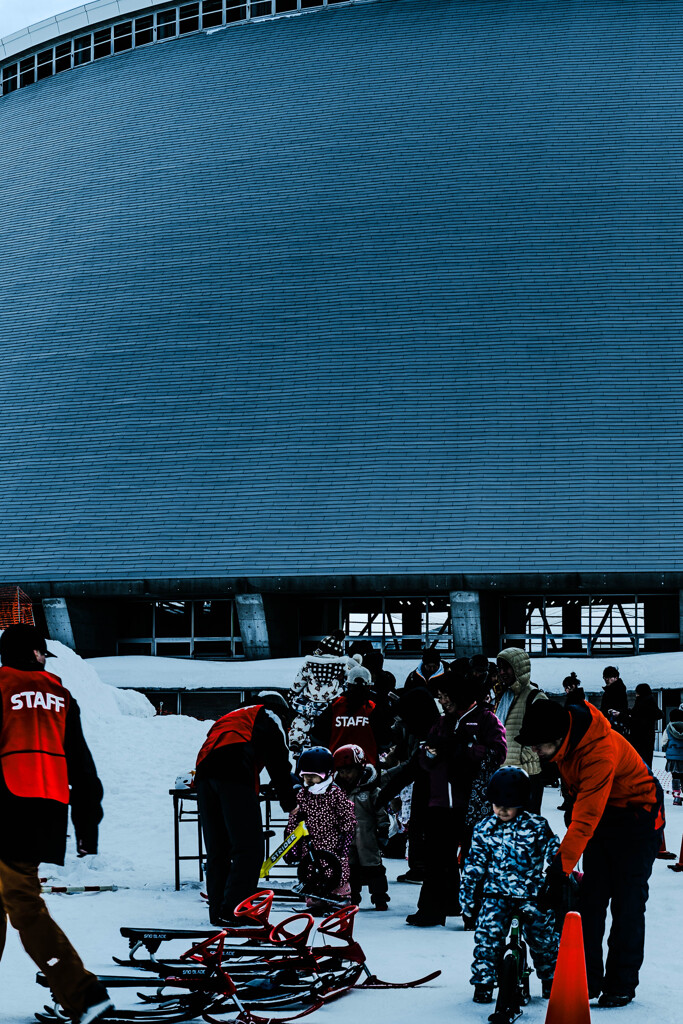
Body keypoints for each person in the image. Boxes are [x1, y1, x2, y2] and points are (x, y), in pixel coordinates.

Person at [516, 698, 665, 1007]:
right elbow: (579, 803)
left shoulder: (599, 750)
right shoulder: (568, 744)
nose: (534, 752)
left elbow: (585, 818)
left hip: (638, 817)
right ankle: (587, 979)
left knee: (628, 901)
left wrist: (558, 871)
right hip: (605, 816)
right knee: (590, 900)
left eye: (538, 746)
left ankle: (620, 984)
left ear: (558, 739)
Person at [0, 624, 112, 1024]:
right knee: (23, 902)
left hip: (5, 804)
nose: (45, 659)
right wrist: (87, 828)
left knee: (23, 905)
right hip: (43, 814)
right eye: (43, 653)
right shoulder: (62, 697)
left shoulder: (1, 687)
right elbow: (83, 768)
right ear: (33, 653)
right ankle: (82, 993)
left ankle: (83, 993)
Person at [407, 674, 506, 927]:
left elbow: (498, 753)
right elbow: (424, 757)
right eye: (439, 696)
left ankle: (475, 913)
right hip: (441, 802)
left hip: (474, 805)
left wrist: (466, 749)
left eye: (445, 695)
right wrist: (431, 751)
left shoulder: (485, 718)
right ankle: (432, 910)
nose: (441, 700)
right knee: (437, 859)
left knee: (474, 860)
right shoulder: (441, 722)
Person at [194, 691, 297, 926]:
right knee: (249, 848)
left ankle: (218, 912)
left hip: (204, 776)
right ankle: (235, 911)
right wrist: (290, 803)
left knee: (218, 850)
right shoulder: (270, 715)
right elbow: (279, 761)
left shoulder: (233, 716)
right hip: (234, 775)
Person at [460, 767, 559, 1004]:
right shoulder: (484, 829)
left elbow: (555, 853)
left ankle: (550, 979)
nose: (502, 809)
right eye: (497, 804)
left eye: (509, 804)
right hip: (495, 896)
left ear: (522, 802)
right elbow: (473, 867)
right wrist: (468, 903)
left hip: (531, 896)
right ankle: (483, 983)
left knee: (543, 939)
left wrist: (556, 882)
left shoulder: (537, 826)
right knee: (487, 938)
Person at [378, 686, 440, 883]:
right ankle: (418, 868)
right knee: (416, 826)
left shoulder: (434, 734)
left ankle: (424, 870)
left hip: (438, 792)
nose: (405, 723)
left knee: (426, 830)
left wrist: (384, 787)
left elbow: (411, 767)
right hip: (423, 786)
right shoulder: (420, 730)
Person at [287, 747, 356, 912]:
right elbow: (294, 819)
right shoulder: (302, 795)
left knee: (336, 870)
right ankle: (316, 898)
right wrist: (292, 843)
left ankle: (339, 897)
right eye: (306, 776)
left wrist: (345, 838)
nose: (309, 780)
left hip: (332, 842)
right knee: (310, 871)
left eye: (314, 777)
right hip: (310, 843)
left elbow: (347, 817)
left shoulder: (335, 794)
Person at [333, 744, 390, 909]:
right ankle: (353, 896)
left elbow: (380, 811)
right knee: (351, 869)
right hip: (346, 838)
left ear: (359, 768)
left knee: (374, 868)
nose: (345, 776)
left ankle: (380, 896)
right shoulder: (338, 792)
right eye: (342, 772)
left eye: (349, 771)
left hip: (368, 837)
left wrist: (383, 830)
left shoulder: (371, 791)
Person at [494, 648, 548, 812]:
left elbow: (544, 734)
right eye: (500, 668)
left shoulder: (535, 696)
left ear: (519, 668)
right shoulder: (505, 696)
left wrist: (521, 759)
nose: (502, 672)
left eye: (507, 667)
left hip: (527, 775)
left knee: (527, 827)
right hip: (505, 773)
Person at [287, 630, 355, 753]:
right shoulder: (341, 666)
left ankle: (296, 741)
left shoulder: (308, 664)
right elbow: (349, 681)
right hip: (331, 704)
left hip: (309, 702)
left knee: (301, 720)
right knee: (330, 726)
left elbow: (299, 682)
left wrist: (291, 694)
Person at [311, 663, 381, 765]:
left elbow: (318, 736)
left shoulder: (335, 706)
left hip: (337, 767)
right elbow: (385, 741)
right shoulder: (373, 707)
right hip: (368, 767)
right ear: (369, 686)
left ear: (348, 685)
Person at [628, 684, 662, 768]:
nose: (636, 695)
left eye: (637, 693)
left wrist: (624, 714)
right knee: (647, 760)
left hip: (639, 736)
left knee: (638, 761)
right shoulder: (650, 701)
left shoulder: (641, 702)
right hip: (649, 735)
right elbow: (659, 714)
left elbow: (636, 719)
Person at [600, 666, 630, 737]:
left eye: (609, 677)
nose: (606, 680)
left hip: (614, 725)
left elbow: (621, 708)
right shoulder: (614, 690)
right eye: (605, 677)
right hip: (613, 724)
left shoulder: (617, 691)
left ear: (616, 678)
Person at [662, 705, 683, 806]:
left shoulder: (668, 729)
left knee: (675, 777)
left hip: (673, 758)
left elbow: (663, 742)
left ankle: (677, 797)